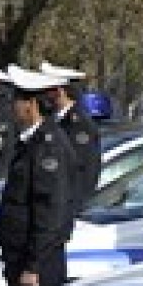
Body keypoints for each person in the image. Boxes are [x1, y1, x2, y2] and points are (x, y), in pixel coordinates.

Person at [0, 65, 75, 286]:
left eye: (16, 101)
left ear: (31, 105)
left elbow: (48, 211)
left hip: (36, 261)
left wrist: (33, 265)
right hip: (20, 253)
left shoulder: (48, 146)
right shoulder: (32, 142)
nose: (13, 108)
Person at [40, 60, 100, 214]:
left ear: (60, 91)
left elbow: (82, 170)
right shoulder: (56, 119)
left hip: (67, 206)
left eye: (48, 89)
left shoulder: (80, 124)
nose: (44, 94)